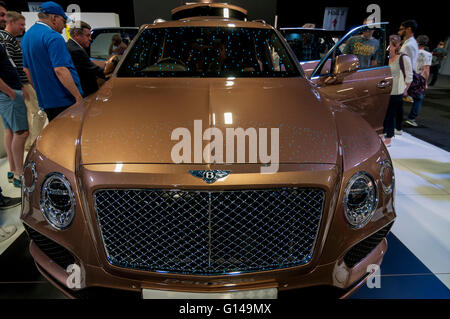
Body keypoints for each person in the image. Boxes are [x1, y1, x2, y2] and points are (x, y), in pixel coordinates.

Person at [21, 1, 83, 122]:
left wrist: (42, 91)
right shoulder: (53, 37)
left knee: (55, 136)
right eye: (64, 21)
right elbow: (60, 69)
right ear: (54, 17)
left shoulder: (27, 37)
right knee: (69, 136)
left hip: (46, 101)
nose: (65, 26)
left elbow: (26, 69)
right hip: (64, 100)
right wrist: (78, 97)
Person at [0, 11, 47, 152]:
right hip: (20, 84)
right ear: (11, 22)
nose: (23, 27)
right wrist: (21, 86)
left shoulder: (10, 39)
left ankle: (29, 143)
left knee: (30, 114)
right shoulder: (6, 39)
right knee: (39, 112)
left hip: (21, 83)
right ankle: (32, 144)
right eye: (21, 24)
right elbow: (10, 65)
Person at [0, 5, 29, 188]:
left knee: (10, 131)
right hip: (9, 92)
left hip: (9, 91)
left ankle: (14, 170)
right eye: (1, 15)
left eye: (4, 14)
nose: (3, 18)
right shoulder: (5, 38)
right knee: (21, 132)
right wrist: (11, 91)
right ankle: (19, 174)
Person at [383, 35, 412, 147]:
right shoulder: (385, 57)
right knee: (384, 113)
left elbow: (409, 77)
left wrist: (406, 90)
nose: (388, 47)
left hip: (396, 91)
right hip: (384, 89)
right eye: (388, 45)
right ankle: (383, 133)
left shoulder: (403, 58)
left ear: (397, 46)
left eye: (390, 45)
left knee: (390, 115)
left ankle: (389, 138)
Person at [67, 21, 106, 97]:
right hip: (86, 94)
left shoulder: (70, 46)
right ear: (77, 35)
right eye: (87, 36)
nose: (90, 39)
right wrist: (112, 73)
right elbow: (94, 70)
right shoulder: (76, 51)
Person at [405, 35, 432, 127]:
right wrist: (425, 83)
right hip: (418, 79)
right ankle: (411, 119)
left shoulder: (411, 51)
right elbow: (426, 70)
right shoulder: (427, 54)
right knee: (418, 99)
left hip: (407, 76)